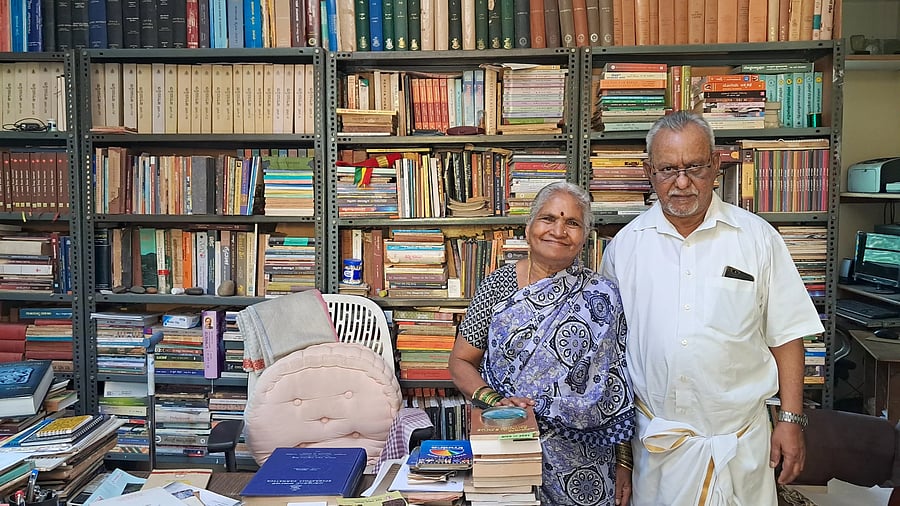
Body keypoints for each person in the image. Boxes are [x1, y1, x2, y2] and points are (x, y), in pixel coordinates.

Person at [600, 111, 825, 505]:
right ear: (649, 171)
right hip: (658, 447)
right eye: (668, 169)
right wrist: (621, 457)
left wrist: (791, 421)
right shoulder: (625, 247)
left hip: (740, 444)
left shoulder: (758, 239)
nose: (682, 182)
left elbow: (788, 336)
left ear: (717, 165)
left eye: (694, 167)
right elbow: (611, 358)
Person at [449, 181, 636, 506]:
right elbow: (460, 362)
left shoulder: (602, 297)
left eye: (572, 222)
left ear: (585, 237)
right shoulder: (497, 285)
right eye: (548, 218)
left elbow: (616, 386)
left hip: (585, 463)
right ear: (529, 226)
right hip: (508, 444)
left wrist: (624, 462)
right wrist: (495, 402)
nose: (559, 230)